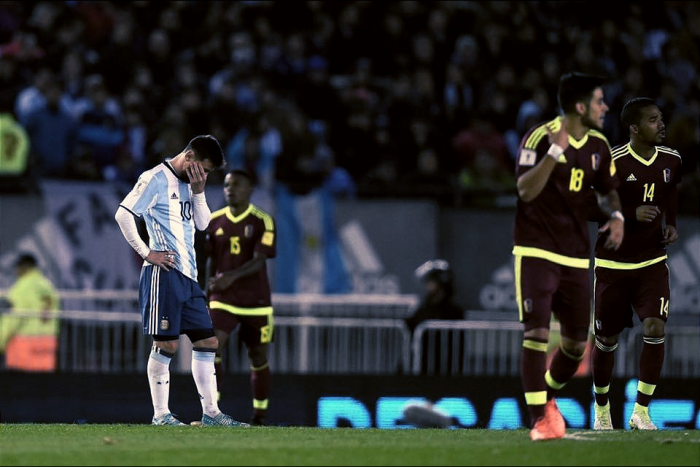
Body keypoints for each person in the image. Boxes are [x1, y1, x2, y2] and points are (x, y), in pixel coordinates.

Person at [512, 72, 624, 441]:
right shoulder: (540, 137)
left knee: (576, 345)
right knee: (537, 333)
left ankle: (545, 400)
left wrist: (618, 216)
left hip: (576, 255)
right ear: (580, 106)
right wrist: (555, 153)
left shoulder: (600, 145)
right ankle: (539, 419)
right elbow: (525, 190)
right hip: (536, 250)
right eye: (598, 101)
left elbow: (608, 191)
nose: (605, 107)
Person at [114, 134, 249, 427]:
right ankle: (161, 414)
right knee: (167, 345)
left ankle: (212, 414)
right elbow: (123, 214)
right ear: (189, 157)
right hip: (164, 275)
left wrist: (200, 191)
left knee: (207, 341)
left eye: (208, 172)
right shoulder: (154, 179)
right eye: (202, 168)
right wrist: (147, 252)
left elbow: (204, 225)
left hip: (189, 276)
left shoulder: (192, 185)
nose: (203, 174)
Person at [591, 98, 682, 431]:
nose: (660, 125)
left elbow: (670, 190)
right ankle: (602, 408)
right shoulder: (611, 162)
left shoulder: (672, 159)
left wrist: (671, 222)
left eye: (660, 118)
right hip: (613, 264)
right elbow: (588, 206)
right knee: (607, 340)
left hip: (652, 262)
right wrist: (629, 214)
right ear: (634, 128)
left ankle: (641, 411)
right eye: (653, 120)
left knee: (656, 327)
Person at [205, 168, 277, 426]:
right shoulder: (214, 221)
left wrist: (230, 277)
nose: (230, 189)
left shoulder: (262, 220)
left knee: (257, 356)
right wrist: (206, 292)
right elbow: (209, 260)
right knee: (212, 346)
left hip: (256, 301)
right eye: (226, 185)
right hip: (222, 298)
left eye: (236, 185)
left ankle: (259, 415)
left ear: (249, 189)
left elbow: (259, 261)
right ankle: (211, 411)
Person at [0, 253, 61, 372]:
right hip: (47, 343)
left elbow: (12, 319)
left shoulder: (21, 287)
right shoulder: (48, 286)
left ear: (24, 267)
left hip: (24, 346)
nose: (15, 272)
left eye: (17, 268)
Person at [406, 259, 464, 376]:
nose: (427, 285)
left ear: (441, 282)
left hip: (445, 370)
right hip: (422, 368)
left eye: (430, 281)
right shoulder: (422, 309)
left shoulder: (454, 312)